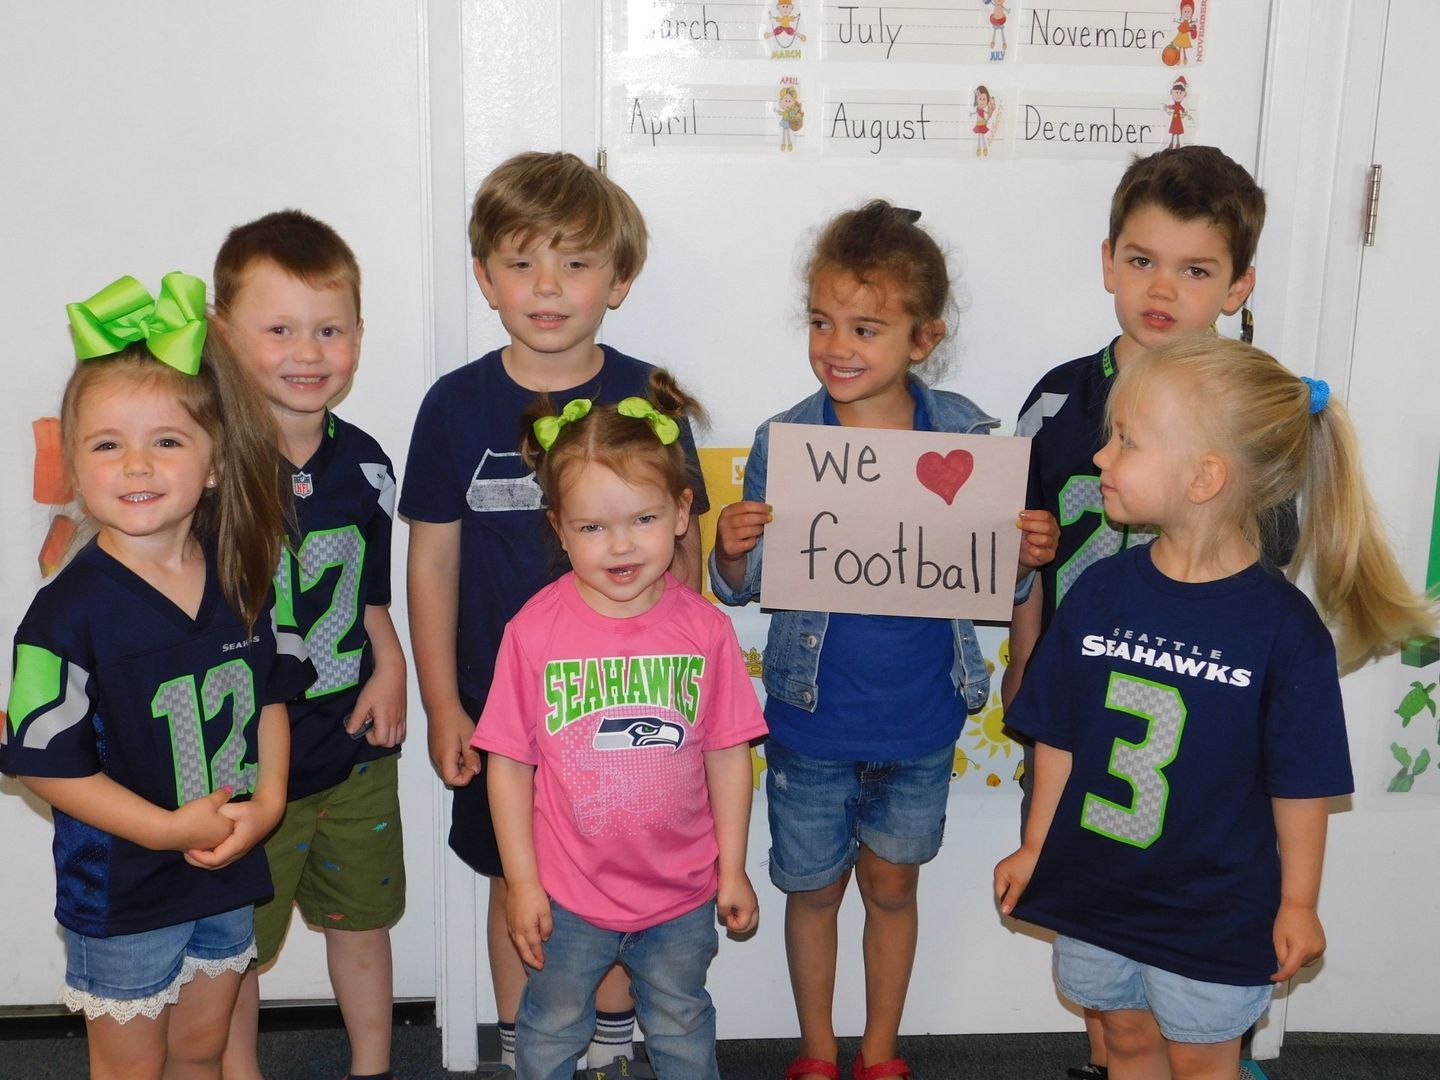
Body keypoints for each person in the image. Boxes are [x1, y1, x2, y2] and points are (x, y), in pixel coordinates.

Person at [994, 336, 1435, 1079]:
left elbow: (1301, 785)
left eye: (1125, 442)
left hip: (1216, 909)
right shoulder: (1098, 592)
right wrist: (1038, 848)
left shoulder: (1283, 630)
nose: (1101, 458)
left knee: (1202, 1062)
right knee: (1125, 1043)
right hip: (1100, 889)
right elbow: (1059, 739)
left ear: (1204, 478)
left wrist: (1298, 903)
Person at [710, 201, 1058, 1080]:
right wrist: (730, 546)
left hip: (919, 721)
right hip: (810, 719)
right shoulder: (784, 441)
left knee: (894, 888)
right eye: (822, 323)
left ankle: (879, 1053)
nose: (838, 346)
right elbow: (739, 587)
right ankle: (820, 1054)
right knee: (812, 889)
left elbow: (998, 583)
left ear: (922, 337)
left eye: (867, 327)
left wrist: (1026, 556)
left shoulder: (967, 439)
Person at [399, 150, 709, 1073]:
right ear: (484, 275)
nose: (548, 287)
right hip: (506, 716)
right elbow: (430, 562)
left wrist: (688, 693)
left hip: (627, 714)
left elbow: (684, 555)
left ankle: (608, 1047)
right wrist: (445, 705)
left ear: (618, 280)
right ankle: (529, 1048)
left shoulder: (649, 398)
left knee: (621, 889)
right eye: (522, 261)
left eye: (575, 264)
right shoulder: (454, 405)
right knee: (517, 886)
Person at [1, 273, 313, 1079]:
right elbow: (47, 767)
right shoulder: (61, 620)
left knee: (202, 1049)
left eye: (167, 441)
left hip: (227, 865)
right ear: (73, 465)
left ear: (213, 465)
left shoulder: (242, 574)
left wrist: (269, 801)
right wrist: (165, 829)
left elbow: (270, 692)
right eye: (108, 443)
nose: (137, 463)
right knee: (132, 1067)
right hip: (125, 887)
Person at [1002, 145, 1265, 1080]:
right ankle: (1116, 1055)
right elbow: (1021, 557)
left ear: (1238, 286)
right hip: (1083, 698)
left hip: (1195, 705)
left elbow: (1267, 574)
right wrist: (1023, 653)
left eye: (1196, 270)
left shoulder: (1250, 412)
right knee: (1088, 894)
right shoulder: (1058, 402)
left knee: (1194, 877)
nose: (1164, 289)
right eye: (1143, 260)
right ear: (1107, 258)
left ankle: (1210, 1043)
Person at [472, 378, 765, 1080]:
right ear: (558, 529)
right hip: (569, 894)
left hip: (682, 893)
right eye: (591, 527)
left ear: (682, 513)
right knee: (548, 1029)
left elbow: (729, 754)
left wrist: (732, 868)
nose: (620, 545)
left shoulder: (706, 632)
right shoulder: (534, 633)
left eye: (641, 519)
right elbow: (508, 764)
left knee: (683, 1021)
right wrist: (522, 883)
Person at [213, 210, 407, 1080]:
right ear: (224, 335)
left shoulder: (364, 463)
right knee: (238, 948)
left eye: (329, 329)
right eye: (279, 328)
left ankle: (373, 1064)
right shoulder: (207, 466)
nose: (308, 351)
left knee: (362, 922)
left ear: (359, 337)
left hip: (353, 746)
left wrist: (393, 663)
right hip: (245, 761)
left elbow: (370, 589)